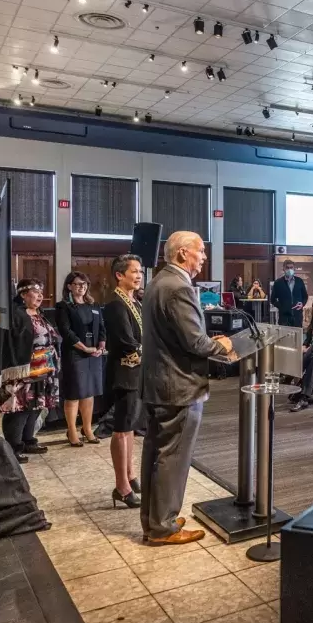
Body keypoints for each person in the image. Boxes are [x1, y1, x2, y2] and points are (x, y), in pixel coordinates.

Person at [141, 231, 233, 546]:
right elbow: (194, 341)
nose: (204, 257)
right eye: (201, 251)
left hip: (158, 383)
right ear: (183, 253)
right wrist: (224, 345)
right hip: (178, 386)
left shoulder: (156, 282)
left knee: (156, 452)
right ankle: (164, 527)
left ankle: (154, 520)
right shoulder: (179, 287)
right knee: (173, 456)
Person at [0, 279, 60, 464]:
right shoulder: (16, 315)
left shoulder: (40, 313)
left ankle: (29, 440)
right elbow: (9, 343)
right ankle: (14, 446)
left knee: (36, 406)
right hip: (22, 372)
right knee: (19, 409)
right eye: (35, 291)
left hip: (43, 369)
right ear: (22, 295)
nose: (40, 295)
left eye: (41, 291)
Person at [103, 254, 145, 509]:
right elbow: (127, 343)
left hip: (136, 372)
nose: (139, 276)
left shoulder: (135, 302)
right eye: (134, 271)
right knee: (121, 429)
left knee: (129, 427)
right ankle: (121, 486)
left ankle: (130, 474)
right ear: (120, 275)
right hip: (124, 372)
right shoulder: (115, 306)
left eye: (140, 271)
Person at [56, 271, 106, 447]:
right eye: (77, 284)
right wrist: (84, 348)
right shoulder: (63, 307)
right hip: (75, 353)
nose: (81, 287)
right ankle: (72, 431)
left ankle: (87, 429)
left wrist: (101, 345)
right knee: (74, 393)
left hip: (94, 354)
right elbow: (66, 331)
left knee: (89, 393)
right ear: (69, 286)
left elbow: (101, 327)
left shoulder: (94, 305)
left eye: (84, 284)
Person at [270, 259, 307, 328]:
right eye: (287, 267)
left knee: (297, 337)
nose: (289, 269)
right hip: (284, 317)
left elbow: (305, 296)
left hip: (297, 317)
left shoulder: (299, 281)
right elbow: (273, 299)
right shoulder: (278, 283)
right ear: (283, 269)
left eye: (291, 267)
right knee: (284, 337)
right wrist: (282, 307)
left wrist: (302, 304)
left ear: (294, 269)